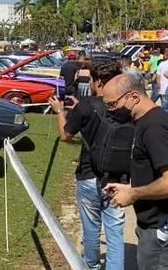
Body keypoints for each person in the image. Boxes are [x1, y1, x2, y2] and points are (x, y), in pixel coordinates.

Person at [48, 61, 125, 270]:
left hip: (89, 174)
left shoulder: (87, 105)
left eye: (91, 80)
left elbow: (65, 135)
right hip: (118, 179)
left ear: (99, 82)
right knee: (115, 231)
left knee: (91, 228)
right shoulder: (125, 106)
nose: (90, 83)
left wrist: (59, 111)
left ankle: (90, 266)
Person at [103, 73, 168, 269]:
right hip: (150, 225)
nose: (109, 111)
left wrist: (133, 193)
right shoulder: (143, 122)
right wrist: (130, 187)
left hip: (158, 229)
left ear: (133, 97)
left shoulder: (154, 126)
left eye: (112, 105)